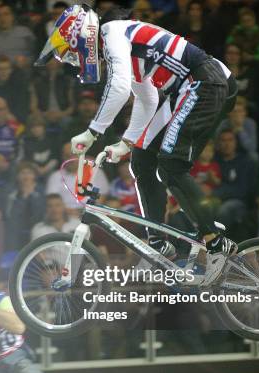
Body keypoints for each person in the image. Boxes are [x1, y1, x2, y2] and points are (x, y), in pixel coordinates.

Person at [37, 4, 239, 258]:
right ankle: (157, 242)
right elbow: (147, 100)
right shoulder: (120, 41)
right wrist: (127, 142)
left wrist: (92, 133)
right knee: (142, 160)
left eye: (71, 53)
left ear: (81, 36)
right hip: (191, 86)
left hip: (205, 81)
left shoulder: (111, 34)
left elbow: (119, 89)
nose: (75, 61)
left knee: (171, 165)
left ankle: (214, 239)